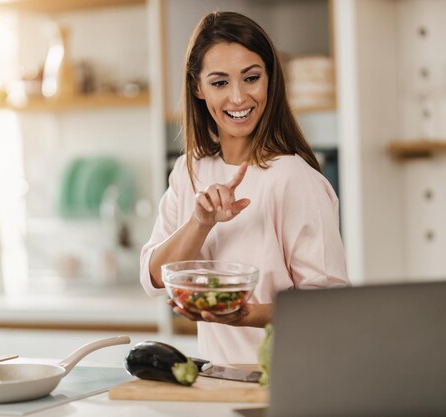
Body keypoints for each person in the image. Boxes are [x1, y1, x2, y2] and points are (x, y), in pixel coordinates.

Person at [140, 11, 348, 364]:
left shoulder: (292, 177)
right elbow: (155, 278)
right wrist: (200, 222)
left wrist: (243, 314)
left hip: (289, 380)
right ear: (198, 88)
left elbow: (327, 306)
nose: (238, 98)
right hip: (220, 381)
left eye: (251, 78)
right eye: (220, 82)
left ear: (269, 80)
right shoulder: (189, 170)